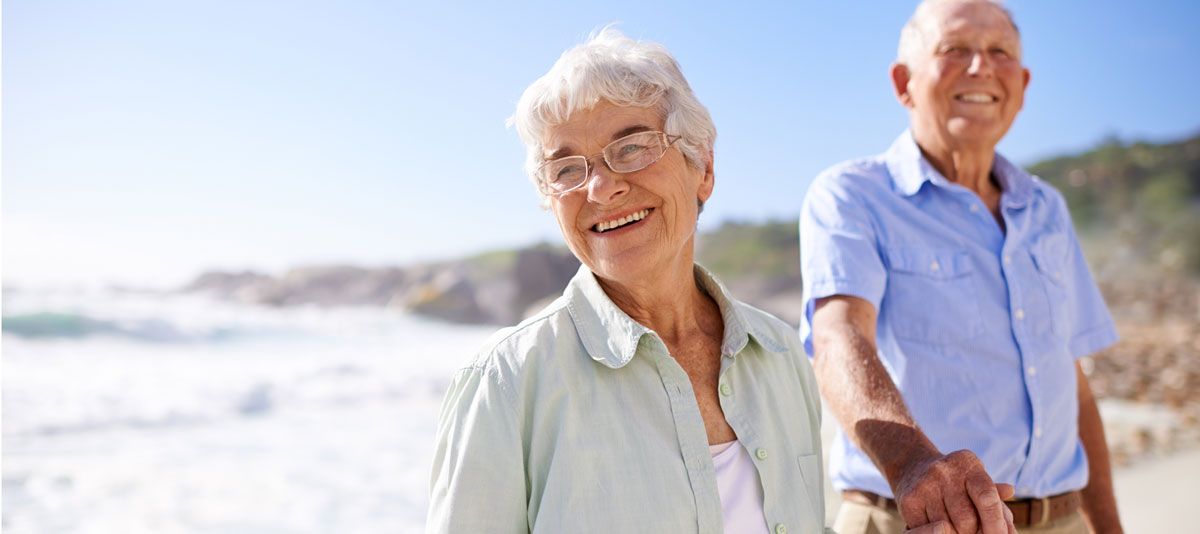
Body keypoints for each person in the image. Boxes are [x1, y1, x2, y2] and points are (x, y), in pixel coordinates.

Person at [427, 29, 831, 533]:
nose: (601, 188)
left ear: (703, 167)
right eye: (567, 168)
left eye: (633, 147)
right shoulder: (507, 381)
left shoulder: (781, 353)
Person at [799, 1, 1123, 534]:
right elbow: (837, 336)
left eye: (1000, 52)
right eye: (955, 50)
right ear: (903, 83)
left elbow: (1072, 384)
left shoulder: (1046, 209)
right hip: (918, 521)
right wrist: (914, 465)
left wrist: (1109, 527)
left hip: (1064, 520)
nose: (981, 68)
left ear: (1021, 85)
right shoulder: (852, 195)